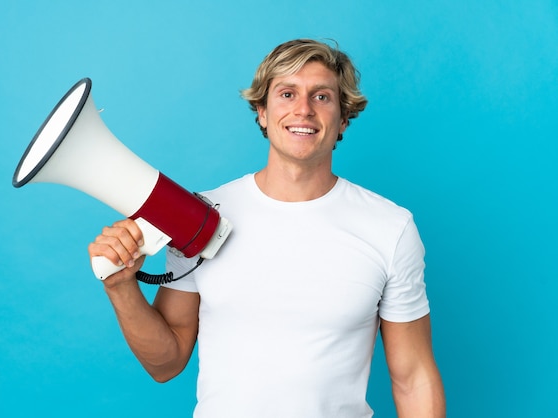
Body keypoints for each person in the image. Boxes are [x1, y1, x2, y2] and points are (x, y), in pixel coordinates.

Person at [88, 39, 445, 417]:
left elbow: (414, 378)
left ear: (343, 118)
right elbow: (166, 363)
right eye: (287, 94)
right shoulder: (199, 216)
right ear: (261, 111)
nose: (303, 110)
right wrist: (122, 288)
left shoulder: (390, 227)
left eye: (322, 97)